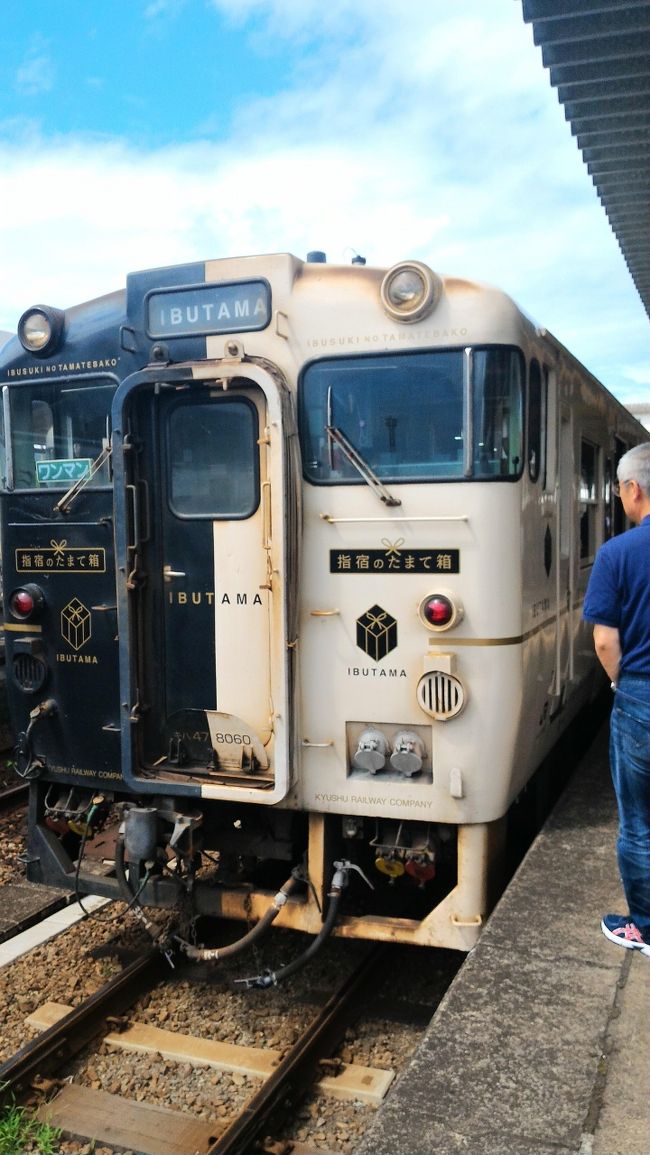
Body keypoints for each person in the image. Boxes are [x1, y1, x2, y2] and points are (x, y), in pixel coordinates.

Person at [583, 441, 650, 958]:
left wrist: (618, 683)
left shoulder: (618, 553)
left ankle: (645, 927)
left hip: (641, 694)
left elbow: (606, 640)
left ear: (633, 490)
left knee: (638, 822)